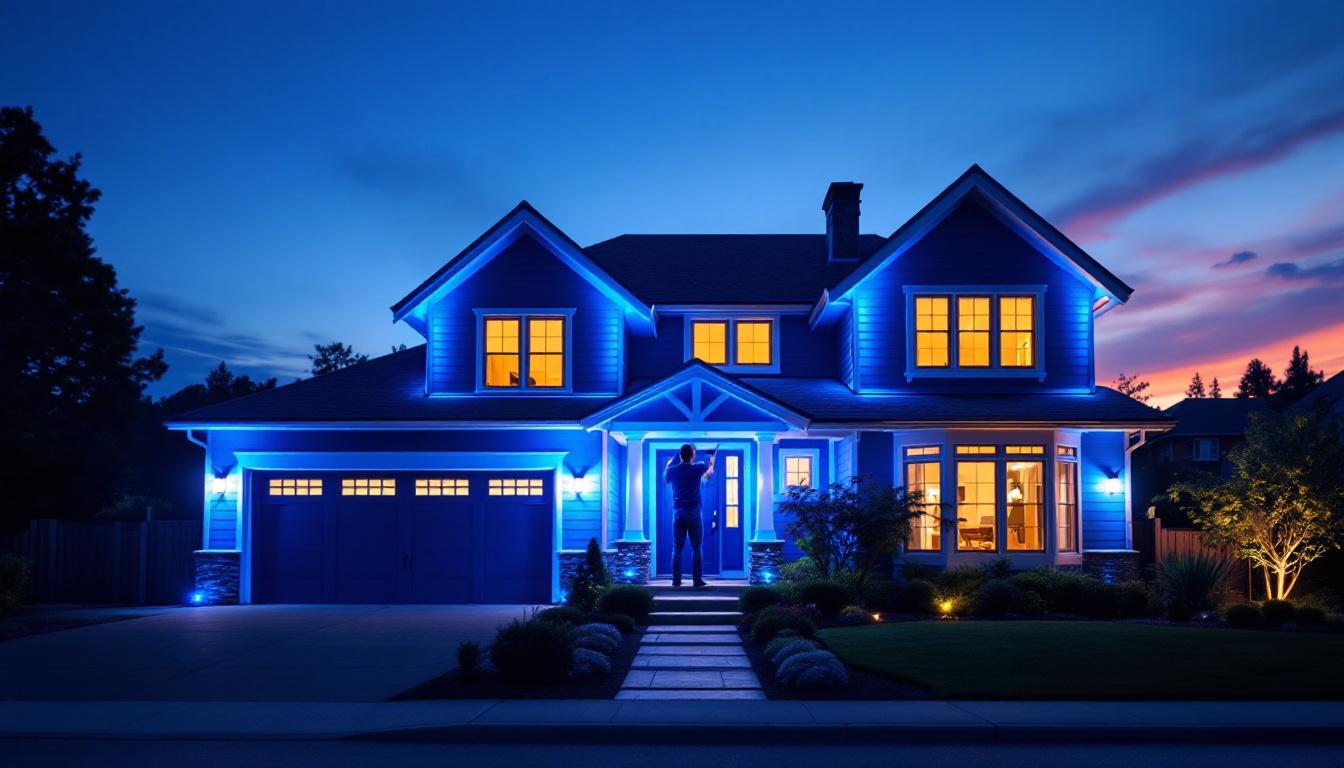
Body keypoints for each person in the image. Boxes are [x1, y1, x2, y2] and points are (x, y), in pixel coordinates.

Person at [664, 443, 715, 588]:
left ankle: (676, 581)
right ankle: (697, 581)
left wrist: (673, 460)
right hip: (693, 512)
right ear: (692, 455)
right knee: (697, 548)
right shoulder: (698, 467)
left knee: (677, 548)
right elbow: (709, 473)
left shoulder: (672, 471)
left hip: (678, 512)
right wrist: (712, 459)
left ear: (680, 455)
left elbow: (666, 473)